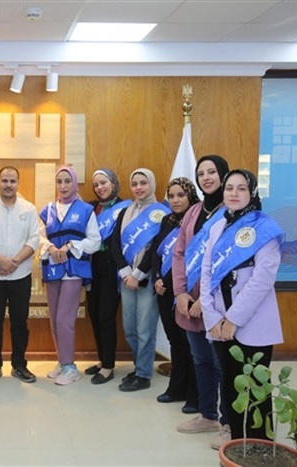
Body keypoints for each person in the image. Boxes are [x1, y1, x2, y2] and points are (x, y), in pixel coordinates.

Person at [201, 169, 284, 441]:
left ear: (252, 192)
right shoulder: (217, 227)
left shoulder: (265, 227)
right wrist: (212, 317)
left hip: (251, 322)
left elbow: (263, 278)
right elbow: (206, 274)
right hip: (220, 323)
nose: (234, 193)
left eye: (241, 188)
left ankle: (260, 448)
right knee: (230, 386)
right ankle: (237, 444)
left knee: (256, 390)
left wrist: (233, 319)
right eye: (229, 188)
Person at [172, 155, 232, 449]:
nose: (206, 177)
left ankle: (228, 423)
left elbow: (228, 261)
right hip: (188, 302)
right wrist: (181, 292)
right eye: (201, 173)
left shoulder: (232, 212)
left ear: (223, 175)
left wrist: (204, 300)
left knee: (222, 364)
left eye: (212, 172)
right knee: (201, 361)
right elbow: (179, 253)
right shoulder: (194, 211)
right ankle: (207, 415)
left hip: (216, 304)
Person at [0, 166, 40, 384]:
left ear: (18, 183)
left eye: (12, 181)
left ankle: (19, 365)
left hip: (20, 276)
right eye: (4, 181)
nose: (8, 185)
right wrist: (2, 261)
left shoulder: (29, 209)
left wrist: (15, 262)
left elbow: (34, 239)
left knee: (20, 323)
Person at [40, 166, 101, 386]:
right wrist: (50, 248)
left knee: (64, 319)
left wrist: (70, 246)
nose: (63, 186)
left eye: (67, 181)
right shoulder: (47, 210)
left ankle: (70, 367)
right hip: (52, 268)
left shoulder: (85, 210)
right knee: (54, 318)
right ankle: (62, 360)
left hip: (74, 271)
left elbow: (95, 241)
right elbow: (38, 236)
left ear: (74, 183)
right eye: (59, 181)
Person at [110, 168, 169, 392]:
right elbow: (115, 244)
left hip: (147, 278)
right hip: (126, 278)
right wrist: (126, 272)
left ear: (151, 184)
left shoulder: (162, 213)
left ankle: (144, 374)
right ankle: (138, 367)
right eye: (134, 183)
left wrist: (138, 273)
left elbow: (158, 248)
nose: (138, 188)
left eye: (143, 183)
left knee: (145, 329)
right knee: (130, 329)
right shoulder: (125, 212)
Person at [151, 177, 200, 409]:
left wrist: (168, 282)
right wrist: (157, 278)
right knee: (175, 342)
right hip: (163, 290)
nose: (175, 200)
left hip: (184, 290)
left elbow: (188, 256)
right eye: (171, 196)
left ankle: (194, 393)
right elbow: (156, 252)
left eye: (181, 195)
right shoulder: (167, 220)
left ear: (190, 195)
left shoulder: (197, 221)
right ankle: (176, 388)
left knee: (189, 344)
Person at [84, 168, 130, 384]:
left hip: (113, 268)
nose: (100, 187)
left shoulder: (126, 208)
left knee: (106, 316)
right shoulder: (91, 208)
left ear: (113, 183)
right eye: (96, 185)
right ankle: (103, 360)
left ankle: (109, 366)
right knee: (93, 314)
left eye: (103, 183)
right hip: (92, 267)